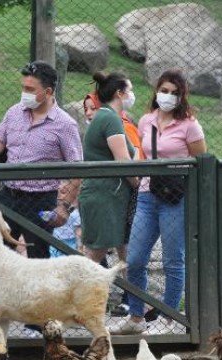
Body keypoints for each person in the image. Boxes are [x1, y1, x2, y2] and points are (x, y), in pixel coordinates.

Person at [110, 69, 206, 335]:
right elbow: (144, 154)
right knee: (136, 259)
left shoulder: (190, 125)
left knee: (172, 260)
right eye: (164, 91)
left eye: (174, 93)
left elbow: (201, 163)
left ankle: (168, 317)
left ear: (182, 96)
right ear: (156, 91)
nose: (168, 96)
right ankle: (137, 318)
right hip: (147, 193)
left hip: (176, 198)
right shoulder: (145, 121)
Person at [0, 60, 83, 260]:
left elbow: (77, 171)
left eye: (30, 89)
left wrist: (64, 207)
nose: (24, 93)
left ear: (49, 91)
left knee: (38, 258)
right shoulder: (14, 112)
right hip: (8, 195)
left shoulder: (65, 125)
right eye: (23, 87)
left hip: (41, 200)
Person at [78, 71, 139, 264]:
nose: (131, 95)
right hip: (104, 196)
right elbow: (123, 161)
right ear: (119, 93)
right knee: (94, 256)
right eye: (129, 90)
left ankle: (129, 294)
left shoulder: (106, 116)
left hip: (107, 195)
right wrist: (137, 182)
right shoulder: (110, 119)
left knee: (105, 253)